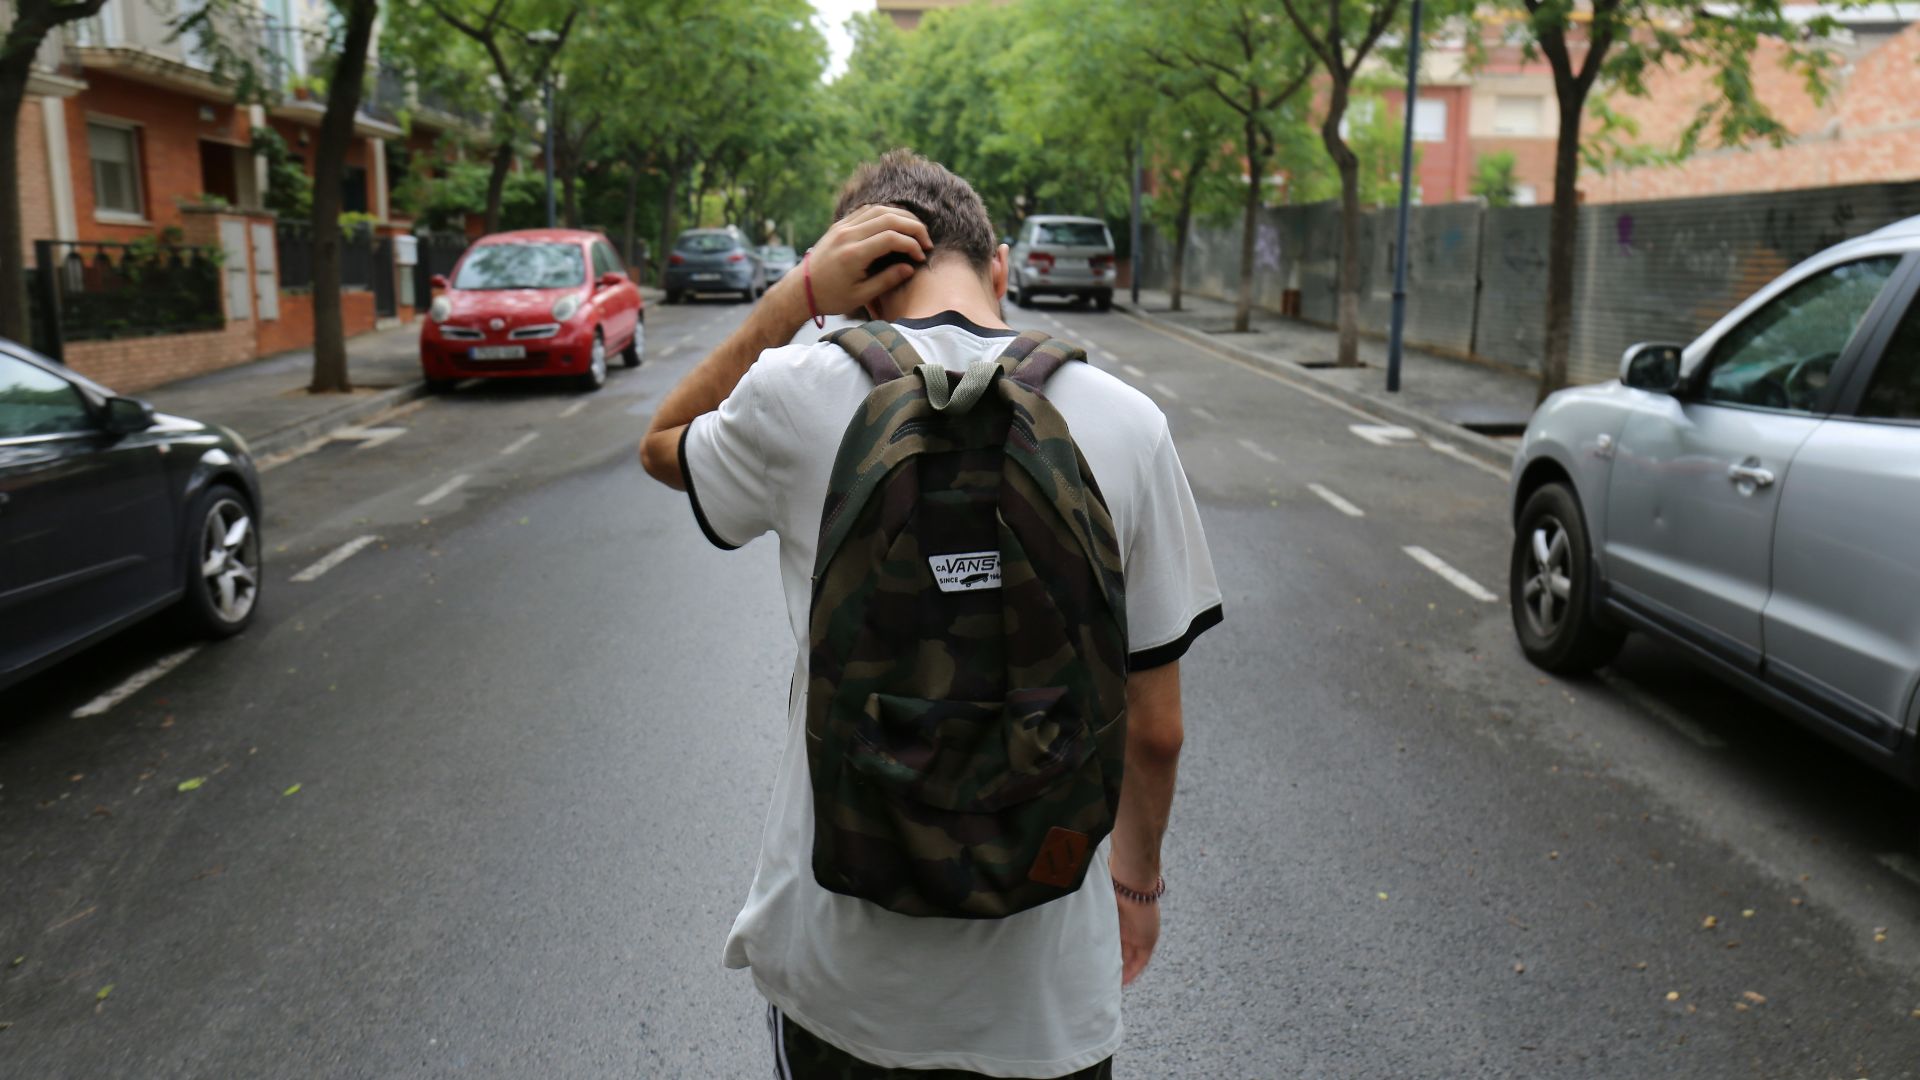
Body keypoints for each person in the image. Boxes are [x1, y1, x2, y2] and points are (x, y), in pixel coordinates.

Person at [639, 150, 1222, 1079]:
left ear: (860, 283)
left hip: (844, 985)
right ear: (999, 264)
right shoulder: (1127, 423)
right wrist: (1137, 886)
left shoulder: (798, 396)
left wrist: (794, 299)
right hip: (1044, 1001)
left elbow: (663, 443)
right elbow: (1156, 731)